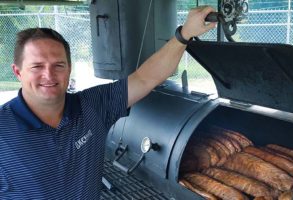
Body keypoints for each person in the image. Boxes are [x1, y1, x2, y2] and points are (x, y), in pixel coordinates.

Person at [0, 6, 216, 199]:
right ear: (17, 72)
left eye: (58, 65)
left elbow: (145, 78)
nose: (49, 75)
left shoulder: (93, 105)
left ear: (69, 69)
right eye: (37, 66)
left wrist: (184, 34)